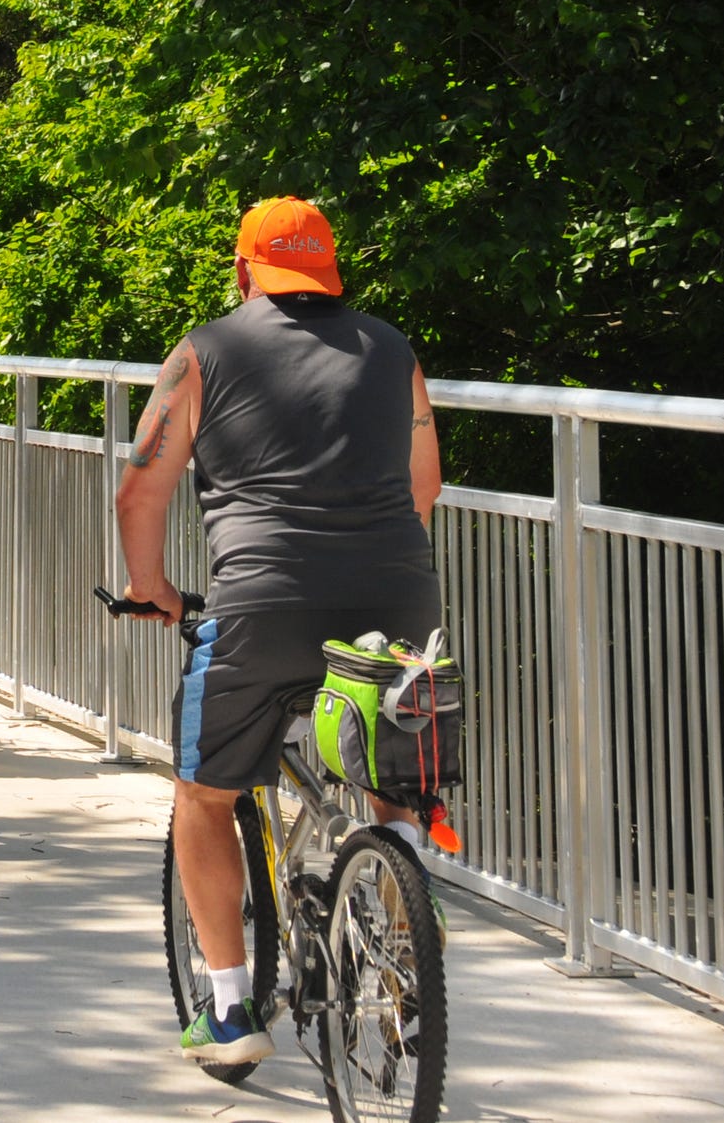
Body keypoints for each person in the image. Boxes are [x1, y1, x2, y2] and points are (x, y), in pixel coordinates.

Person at [113, 197, 443, 1071]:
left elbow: (138, 490)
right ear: (329, 272)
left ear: (242, 269)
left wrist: (155, 590)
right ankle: (406, 912)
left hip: (260, 606)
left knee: (203, 794)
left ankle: (227, 1009)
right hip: (396, 597)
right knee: (392, 784)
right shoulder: (394, 351)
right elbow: (424, 486)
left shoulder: (203, 352)